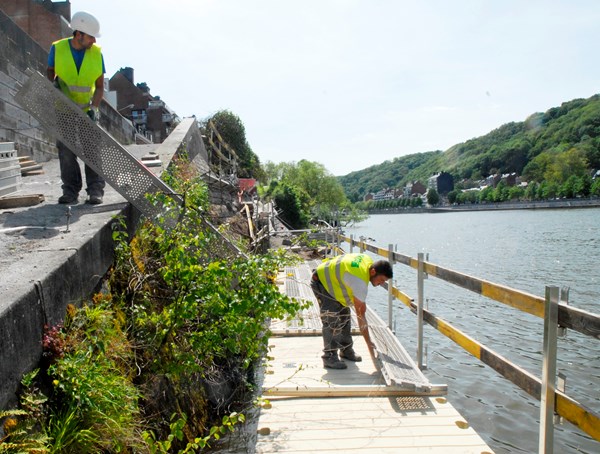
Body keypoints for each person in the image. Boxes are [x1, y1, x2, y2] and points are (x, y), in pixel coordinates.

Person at [46, 11, 106, 205]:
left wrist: (94, 109)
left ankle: (95, 190)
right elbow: (49, 72)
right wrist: (54, 86)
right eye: (90, 36)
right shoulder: (58, 49)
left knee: (91, 150)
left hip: (87, 110)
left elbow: (100, 87)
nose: (93, 40)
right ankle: (70, 192)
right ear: (78, 34)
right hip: (63, 110)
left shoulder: (97, 53)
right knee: (66, 151)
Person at [311, 253, 393, 369]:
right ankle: (329, 357)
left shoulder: (367, 261)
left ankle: (346, 350)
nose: (381, 284)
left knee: (345, 316)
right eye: (381, 280)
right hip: (322, 282)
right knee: (332, 320)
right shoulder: (359, 281)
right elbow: (361, 316)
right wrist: (369, 344)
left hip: (336, 283)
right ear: (373, 272)